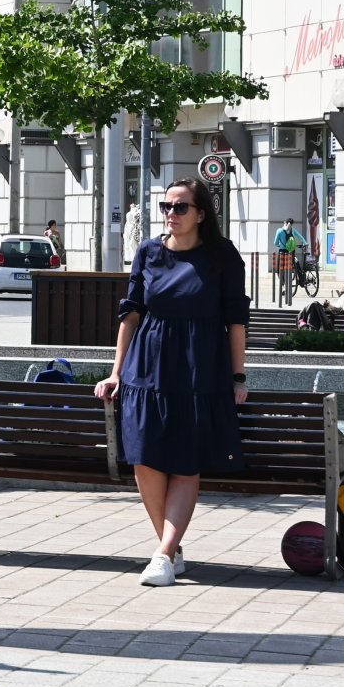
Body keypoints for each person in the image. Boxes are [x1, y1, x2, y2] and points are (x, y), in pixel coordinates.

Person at [97, 178, 250, 587]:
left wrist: (238, 375)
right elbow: (131, 315)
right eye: (166, 206)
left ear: (200, 214)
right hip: (147, 368)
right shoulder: (148, 252)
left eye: (181, 207)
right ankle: (171, 547)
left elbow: (236, 321)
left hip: (201, 369)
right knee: (144, 458)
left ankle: (164, 554)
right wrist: (116, 371)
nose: (171, 214)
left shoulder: (221, 255)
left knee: (185, 462)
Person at [272, 217, 300, 305]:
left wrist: (280, 245)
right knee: (289, 269)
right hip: (290, 252)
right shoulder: (292, 230)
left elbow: (275, 243)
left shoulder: (279, 230)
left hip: (282, 253)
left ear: (285, 222)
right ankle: (288, 286)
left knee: (279, 270)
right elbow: (300, 237)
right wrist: (305, 243)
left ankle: (283, 285)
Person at [124, 199, 145, 265]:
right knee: (131, 244)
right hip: (130, 228)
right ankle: (133, 259)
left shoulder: (138, 211)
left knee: (134, 243)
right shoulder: (131, 212)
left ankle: (136, 259)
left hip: (135, 229)